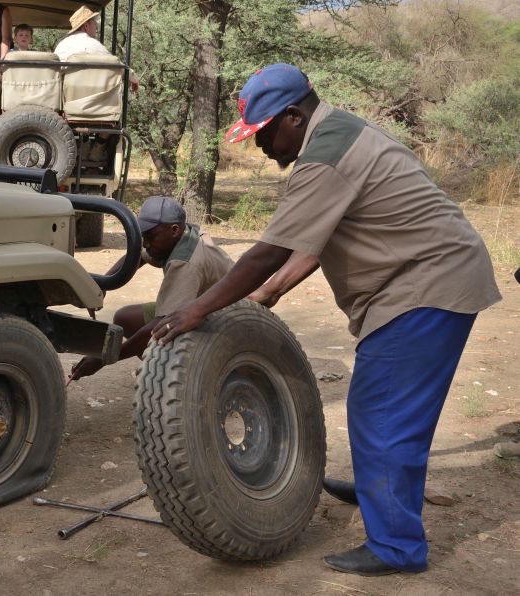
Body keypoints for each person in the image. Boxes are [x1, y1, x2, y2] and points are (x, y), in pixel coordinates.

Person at [153, 63, 502, 577]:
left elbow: (267, 253)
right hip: (430, 277)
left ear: (293, 116)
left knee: (381, 414)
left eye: (264, 133)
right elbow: (307, 250)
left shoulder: (324, 158)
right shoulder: (338, 130)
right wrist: (265, 297)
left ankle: (396, 547)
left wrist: (200, 307)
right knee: (387, 411)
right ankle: (377, 489)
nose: (261, 147)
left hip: (425, 285)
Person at [68, 196, 234, 381]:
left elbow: (162, 325)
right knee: (126, 318)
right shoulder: (180, 236)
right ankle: (160, 363)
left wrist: (103, 359)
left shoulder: (185, 262)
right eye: (144, 236)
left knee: (161, 330)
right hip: (196, 305)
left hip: (221, 320)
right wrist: (102, 285)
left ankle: (175, 375)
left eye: (151, 236)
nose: (146, 243)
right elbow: (137, 257)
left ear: (174, 230)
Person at [53, 6, 139, 92]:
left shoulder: (61, 46)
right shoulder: (92, 44)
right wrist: (133, 78)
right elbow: (115, 64)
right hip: (87, 97)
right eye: (94, 24)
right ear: (86, 26)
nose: (96, 28)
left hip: (64, 98)